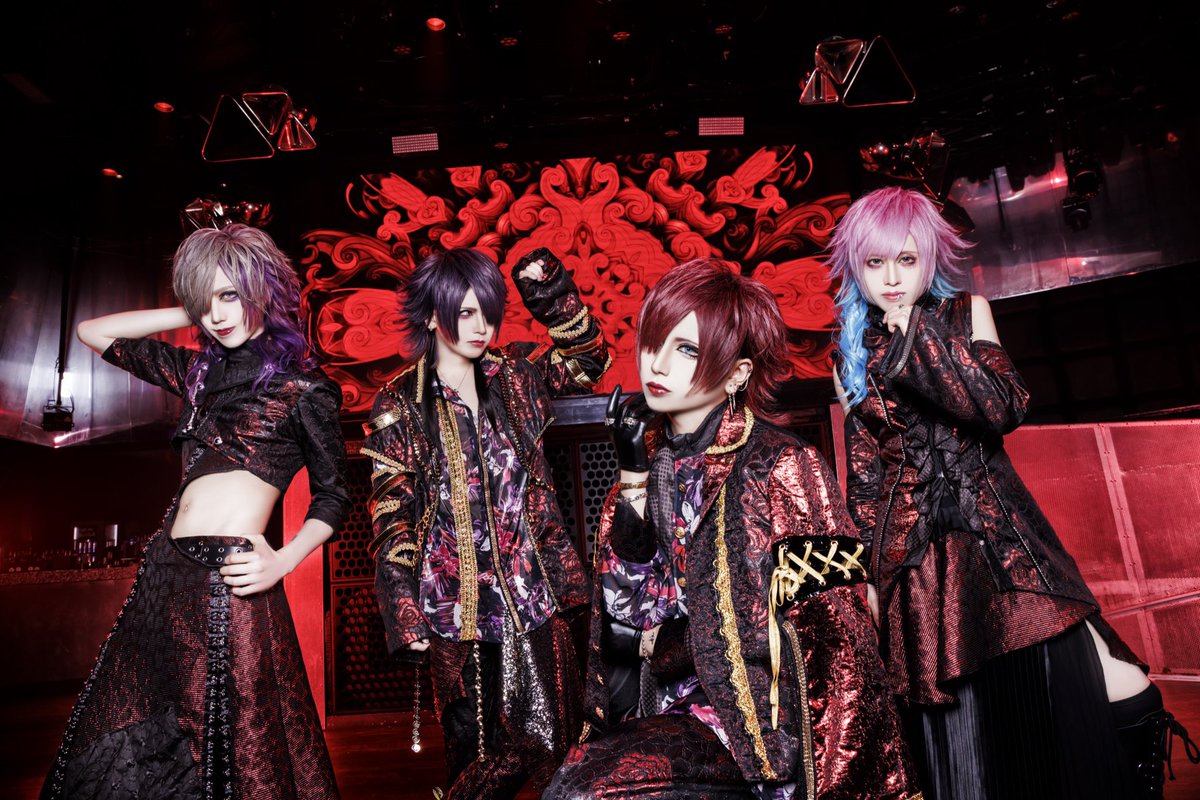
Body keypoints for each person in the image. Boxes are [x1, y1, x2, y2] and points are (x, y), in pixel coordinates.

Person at [828, 186, 1199, 800]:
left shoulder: (966, 313)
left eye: (906, 259)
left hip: (1000, 541)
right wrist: (866, 576)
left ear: (930, 258)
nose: (891, 278)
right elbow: (867, 478)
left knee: (1119, 684)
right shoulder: (847, 356)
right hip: (916, 564)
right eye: (875, 263)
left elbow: (1002, 408)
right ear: (855, 268)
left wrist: (917, 339)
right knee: (962, 727)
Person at [544, 259, 921, 800]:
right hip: (672, 711)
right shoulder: (648, 471)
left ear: (737, 373)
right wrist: (631, 479)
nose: (657, 363)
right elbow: (629, 614)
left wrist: (839, 784)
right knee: (572, 783)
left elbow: (839, 644)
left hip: (760, 728)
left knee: (583, 791)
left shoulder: (780, 465)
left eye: (686, 350)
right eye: (653, 342)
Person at [42, 223, 350, 800]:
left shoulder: (304, 391)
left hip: (231, 574)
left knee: (238, 737)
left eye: (230, 294)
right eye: (203, 302)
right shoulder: (197, 375)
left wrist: (284, 560)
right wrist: (192, 304)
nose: (217, 315)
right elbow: (93, 331)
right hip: (165, 572)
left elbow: (335, 495)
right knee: (151, 718)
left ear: (261, 287)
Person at [363, 246, 606, 799]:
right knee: (473, 757)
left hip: (536, 597)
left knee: (559, 749)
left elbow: (588, 359)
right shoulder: (399, 402)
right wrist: (404, 609)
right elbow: (391, 513)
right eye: (465, 313)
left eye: (488, 313)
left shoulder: (517, 375)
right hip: (454, 610)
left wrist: (548, 289)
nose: (481, 327)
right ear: (433, 316)